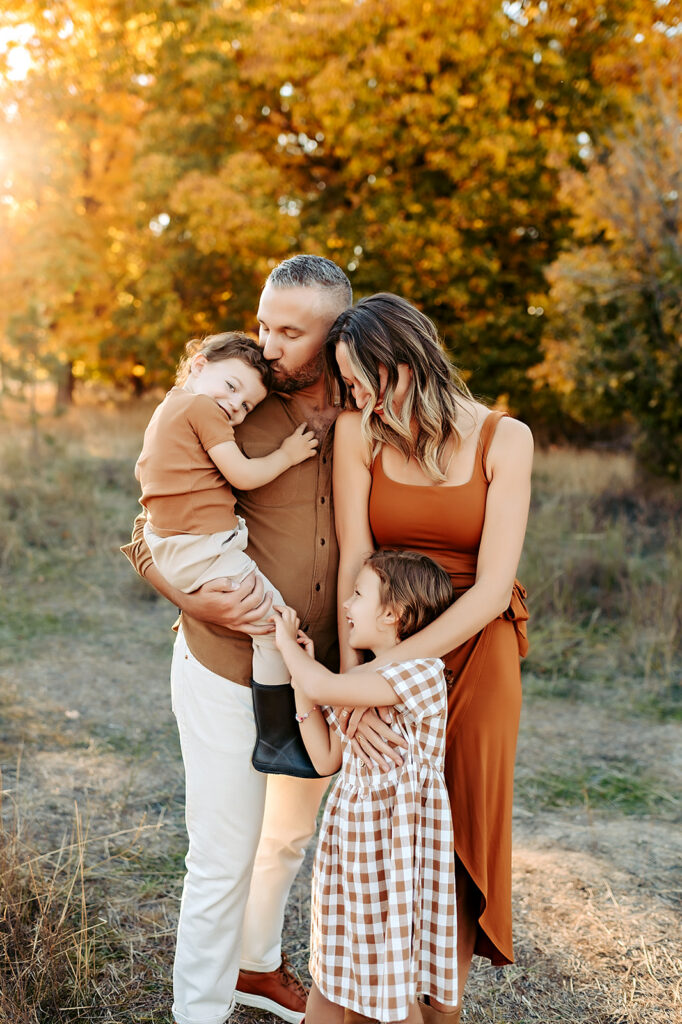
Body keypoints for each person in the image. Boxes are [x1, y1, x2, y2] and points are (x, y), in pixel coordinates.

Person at [122, 255, 363, 1024]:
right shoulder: (224, 402)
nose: (268, 345)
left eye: (289, 332)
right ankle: (197, 1012)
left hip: (323, 673)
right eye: (262, 323)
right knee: (222, 856)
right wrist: (197, 600)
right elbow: (148, 524)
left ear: (337, 335)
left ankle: (257, 970)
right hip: (225, 659)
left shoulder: (371, 403)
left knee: (288, 838)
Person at [326, 293, 533, 1024]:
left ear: (402, 367)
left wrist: (384, 678)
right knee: (385, 818)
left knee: (460, 833)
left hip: (478, 651)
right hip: (382, 639)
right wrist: (354, 686)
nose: (352, 397)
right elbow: (356, 557)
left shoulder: (506, 440)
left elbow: (491, 589)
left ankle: (440, 1011)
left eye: (359, 381)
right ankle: (370, 989)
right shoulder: (359, 435)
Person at [272, 549, 458, 1024]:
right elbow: (325, 757)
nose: (347, 605)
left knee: (391, 987)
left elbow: (322, 687)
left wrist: (287, 649)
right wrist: (302, 682)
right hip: (351, 849)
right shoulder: (356, 680)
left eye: (358, 594)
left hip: (393, 854)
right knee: (333, 969)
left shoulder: (423, 674)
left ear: (393, 614)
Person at [135, 331, 318, 691]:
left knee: (265, 624)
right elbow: (243, 475)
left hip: (173, 546)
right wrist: (287, 455)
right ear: (199, 365)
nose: (236, 405)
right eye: (232, 386)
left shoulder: (167, 409)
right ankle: (277, 726)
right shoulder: (201, 407)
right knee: (277, 626)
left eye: (247, 405)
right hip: (204, 549)